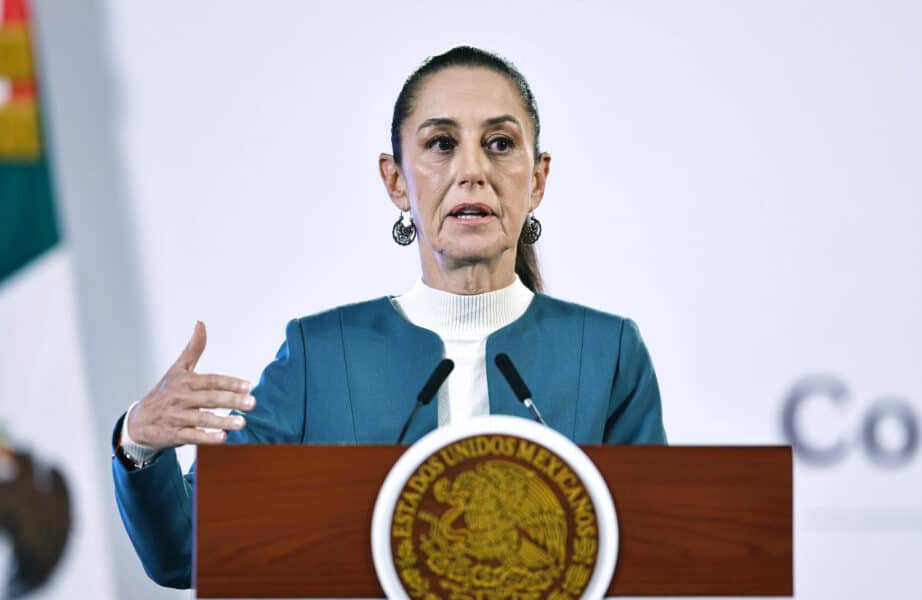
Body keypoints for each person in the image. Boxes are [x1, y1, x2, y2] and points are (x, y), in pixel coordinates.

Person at [111, 45, 667, 589]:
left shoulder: (608, 352)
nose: (472, 170)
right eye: (442, 144)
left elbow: (654, 554)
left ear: (538, 179)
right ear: (396, 180)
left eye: (499, 143)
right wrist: (139, 441)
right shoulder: (322, 355)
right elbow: (184, 551)